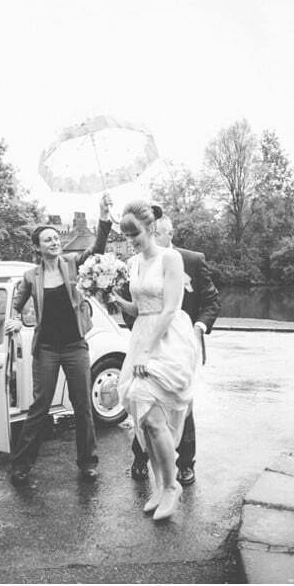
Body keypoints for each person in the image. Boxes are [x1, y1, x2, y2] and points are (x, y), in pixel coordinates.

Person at [4, 194, 114, 485]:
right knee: (39, 407)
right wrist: (13, 319)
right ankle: (21, 464)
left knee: (83, 406)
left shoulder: (72, 264)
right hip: (47, 349)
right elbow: (15, 306)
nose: (54, 242)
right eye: (48, 240)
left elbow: (98, 249)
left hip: (75, 345)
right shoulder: (30, 277)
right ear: (37, 248)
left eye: (55, 238)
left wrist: (103, 217)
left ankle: (88, 463)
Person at [111, 200, 200, 521]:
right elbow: (138, 309)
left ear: (150, 227)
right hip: (142, 335)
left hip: (167, 339)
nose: (130, 239)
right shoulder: (134, 263)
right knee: (143, 416)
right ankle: (160, 485)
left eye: (134, 232)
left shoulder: (171, 258)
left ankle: (172, 485)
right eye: (125, 234)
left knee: (152, 416)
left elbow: (170, 308)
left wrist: (148, 351)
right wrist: (111, 298)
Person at [126, 214, 220, 486]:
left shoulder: (190, 259)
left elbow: (212, 301)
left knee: (182, 404)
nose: (152, 240)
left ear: (167, 234)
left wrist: (199, 327)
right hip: (149, 338)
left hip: (180, 342)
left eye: (159, 235)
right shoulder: (137, 261)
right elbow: (137, 301)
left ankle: (185, 464)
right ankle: (141, 458)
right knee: (143, 400)